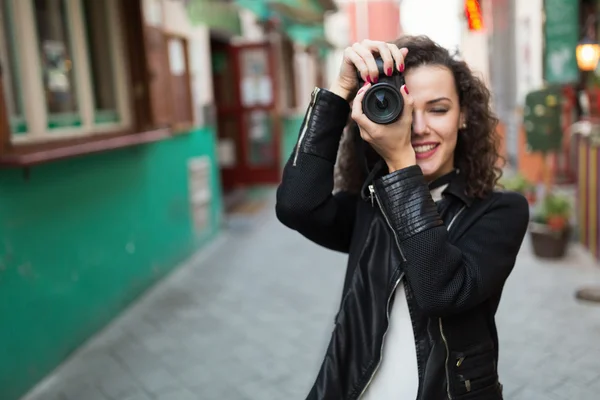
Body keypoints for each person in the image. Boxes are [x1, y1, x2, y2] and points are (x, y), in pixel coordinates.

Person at [275, 35, 529, 400]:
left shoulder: (500, 212)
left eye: (438, 109)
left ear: (464, 116)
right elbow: (296, 205)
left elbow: (441, 291)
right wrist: (339, 93)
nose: (420, 127)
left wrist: (400, 163)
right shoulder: (373, 206)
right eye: (406, 108)